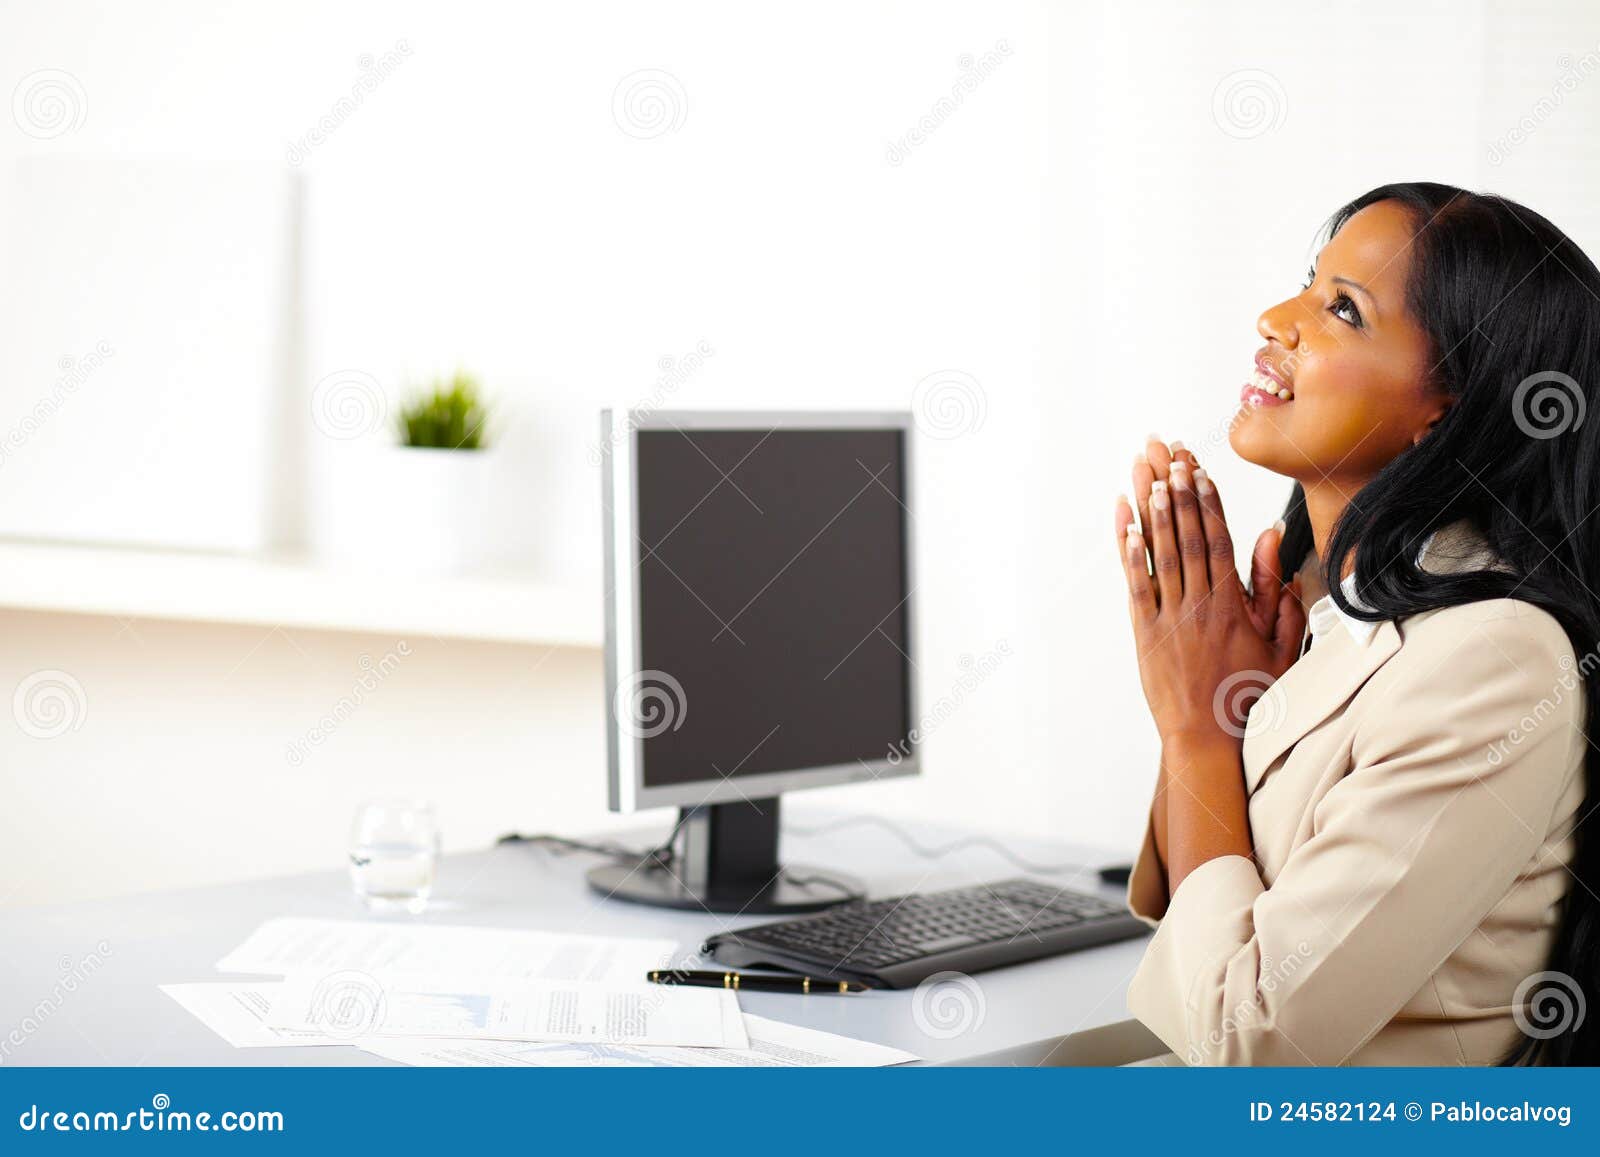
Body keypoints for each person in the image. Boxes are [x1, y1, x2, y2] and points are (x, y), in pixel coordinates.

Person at [1114, 182, 1596, 1065]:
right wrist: (1229, 704)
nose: (1274, 317)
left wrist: (1194, 731)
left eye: (1342, 308)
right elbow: (1171, 912)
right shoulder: (1327, 612)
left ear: (1447, 406)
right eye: (1308, 282)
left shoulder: (1495, 658)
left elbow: (1243, 1038)